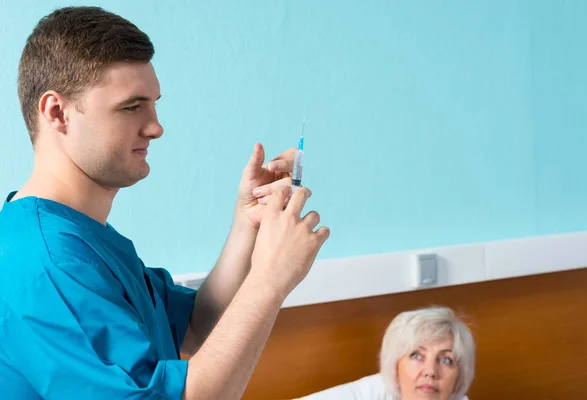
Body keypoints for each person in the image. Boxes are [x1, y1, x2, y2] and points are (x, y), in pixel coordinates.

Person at [0, 6, 329, 400]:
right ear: (58, 112)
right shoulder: (49, 262)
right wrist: (270, 280)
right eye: (131, 106)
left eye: (154, 104)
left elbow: (195, 325)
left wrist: (249, 223)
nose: (156, 127)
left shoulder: (82, 237)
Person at [298, 306, 475, 400]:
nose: (430, 371)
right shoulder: (369, 393)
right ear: (395, 365)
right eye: (416, 355)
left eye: (446, 360)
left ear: (459, 377)